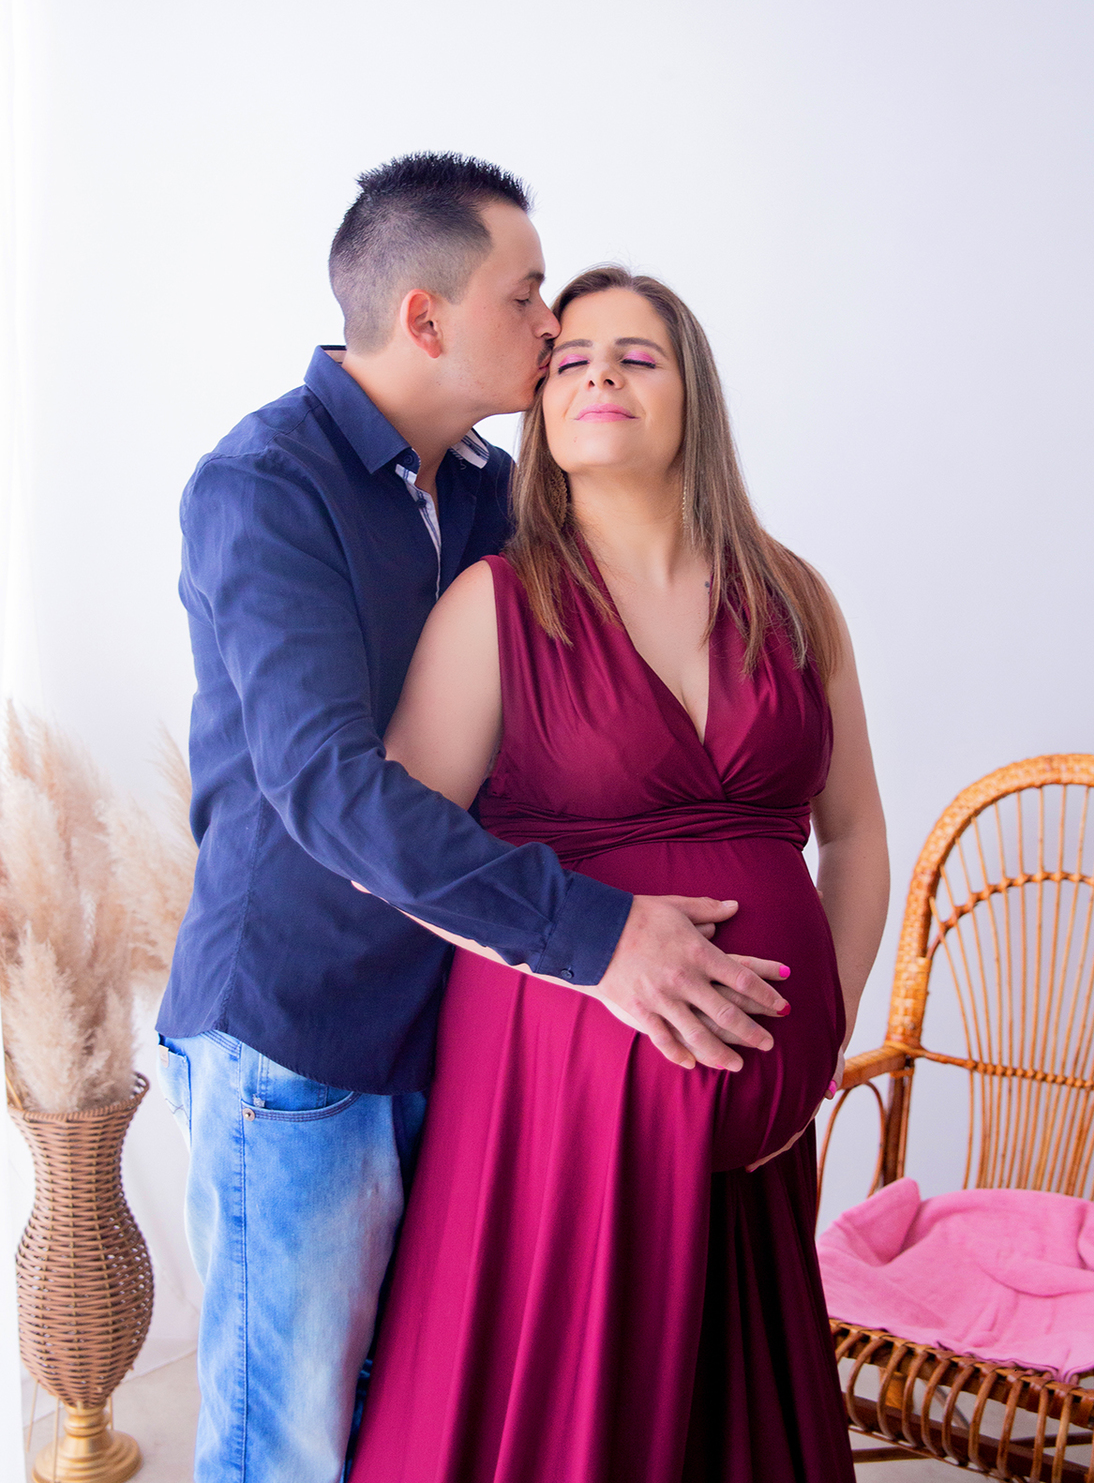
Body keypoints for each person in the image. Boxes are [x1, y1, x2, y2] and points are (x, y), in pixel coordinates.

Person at [156, 160, 791, 1483]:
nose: (552, 326)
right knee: (285, 1447)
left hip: (453, 1033)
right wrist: (605, 939)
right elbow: (328, 787)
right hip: (298, 1035)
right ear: (426, 317)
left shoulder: (488, 494)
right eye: (528, 295)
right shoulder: (266, 486)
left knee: (411, 1429)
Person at [351, 267, 891, 1483]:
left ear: (693, 395)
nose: (600, 370)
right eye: (571, 356)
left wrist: (822, 1033)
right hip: (558, 1099)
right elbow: (396, 851)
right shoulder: (493, 607)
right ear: (542, 409)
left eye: (638, 355)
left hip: (758, 1125)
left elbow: (855, 834)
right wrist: (585, 965)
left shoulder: (794, 599)